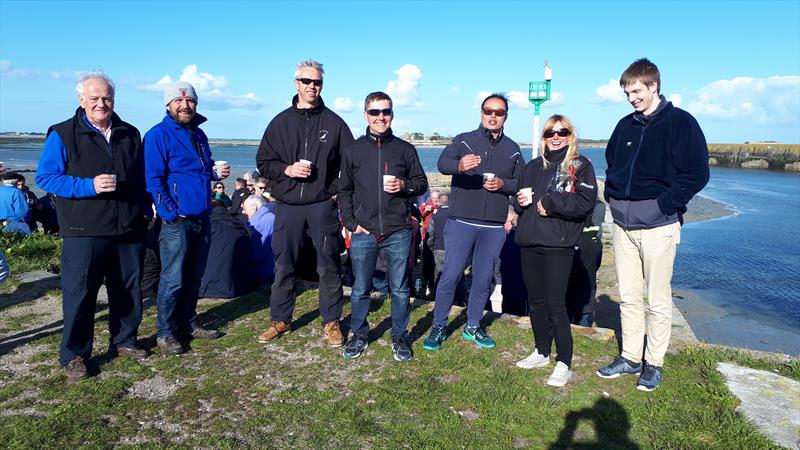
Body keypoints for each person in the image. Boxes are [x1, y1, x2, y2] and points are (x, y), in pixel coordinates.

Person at [596, 58, 709, 392]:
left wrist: (664, 204)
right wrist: (615, 199)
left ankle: (653, 363)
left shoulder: (681, 123)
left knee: (657, 299)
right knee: (629, 296)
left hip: (659, 225)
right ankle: (631, 357)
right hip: (623, 224)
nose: (632, 98)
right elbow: (613, 163)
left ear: (653, 86)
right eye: (627, 93)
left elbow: (697, 174)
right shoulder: (624, 126)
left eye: (636, 91)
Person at [35, 71, 150, 382]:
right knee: (80, 294)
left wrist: (145, 210)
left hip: (127, 227)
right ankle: (74, 355)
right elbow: (45, 178)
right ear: (81, 99)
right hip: (84, 229)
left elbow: (140, 177)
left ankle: (124, 341)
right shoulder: (62, 133)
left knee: (127, 290)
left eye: (107, 98)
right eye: (95, 98)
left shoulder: (129, 132)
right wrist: (89, 185)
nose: (102, 103)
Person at [255, 59, 354, 347]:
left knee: (328, 264)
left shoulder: (334, 123)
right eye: (307, 81)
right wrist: (286, 169)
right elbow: (263, 161)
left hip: (321, 204)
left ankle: (331, 321)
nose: (312, 86)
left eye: (317, 82)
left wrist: (331, 190)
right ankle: (280, 318)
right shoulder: (280, 122)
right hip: (287, 204)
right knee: (284, 264)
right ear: (296, 83)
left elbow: (348, 166)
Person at [423, 93, 524, 351]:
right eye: (488, 111)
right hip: (461, 222)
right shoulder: (463, 140)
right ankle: (438, 325)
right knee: (451, 275)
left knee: (482, 278)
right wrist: (459, 164)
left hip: (493, 226)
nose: (493, 115)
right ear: (481, 113)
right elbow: (442, 164)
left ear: (505, 117)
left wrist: (503, 185)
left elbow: (521, 183)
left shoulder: (512, 148)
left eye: (498, 112)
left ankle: (473, 325)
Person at [337, 91, 428, 362]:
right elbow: (343, 191)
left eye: (385, 111)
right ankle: (359, 333)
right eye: (375, 112)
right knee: (361, 287)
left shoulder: (404, 149)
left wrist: (404, 186)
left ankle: (399, 336)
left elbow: (421, 183)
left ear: (392, 114)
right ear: (365, 115)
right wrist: (352, 223)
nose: (381, 117)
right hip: (364, 231)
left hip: (397, 229)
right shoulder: (353, 150)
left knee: (400, 289)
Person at [144, 80, 231, 355]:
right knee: (173, 278)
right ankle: (166, 331)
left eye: (190, 101)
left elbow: (202, 170)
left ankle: (189, 322)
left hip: (201, 216)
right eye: (179, 101)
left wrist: (216, 174)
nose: (185, 105)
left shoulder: (199, 134)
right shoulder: (158, 135)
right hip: (177, 220)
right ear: (168, 104)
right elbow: (153, 180)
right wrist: (170, 212)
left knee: (195, 275)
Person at [513, 115, 597, 388]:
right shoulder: (534, 165)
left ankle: (564, 361)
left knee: (556, 304)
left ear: (571, 134)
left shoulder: (580, 166)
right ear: (544, 137)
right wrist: (519, 200)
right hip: (530, 241)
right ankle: (541, 351)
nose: (555, 136)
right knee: (535, 301)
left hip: (558, 244)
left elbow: (585, 202)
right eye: (550, 132)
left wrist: (551, 202)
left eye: (561, 131)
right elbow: (519, 196)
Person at [566, 199, 606, 327]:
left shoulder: (573, 242)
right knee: (584, 318)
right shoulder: (597, 243)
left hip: (572, 288)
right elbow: (597, 263)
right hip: (589, 287)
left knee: (570, 316)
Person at [243, 194, 276, 285]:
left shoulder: (264, 222)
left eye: (245, 209)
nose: (243, 212)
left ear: (253, 208)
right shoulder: (269, 218)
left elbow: (257, 253)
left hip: (265, 271)